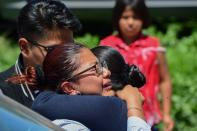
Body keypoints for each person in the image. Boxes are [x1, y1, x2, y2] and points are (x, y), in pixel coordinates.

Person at [7, 43, 150, 131]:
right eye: (95, 69)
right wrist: (134, 105)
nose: (107, 72)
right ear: (69, 88)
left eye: (101, 65)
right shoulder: (68, 127)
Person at [100, 0, 174, 130]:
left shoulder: (154, 46)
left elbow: (165, 80)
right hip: (115, 113)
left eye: (135, 17)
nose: (130, 22)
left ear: (144, 19)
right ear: (117, 18)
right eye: (125, 17)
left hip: (149, 116)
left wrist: (167, 114)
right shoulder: (107, 45)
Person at [0, 0, 81, 107]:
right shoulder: (4, 97)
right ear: (25, 47)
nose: (66, 57)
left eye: (70, 47)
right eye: (53, 49)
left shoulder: (82, 78)